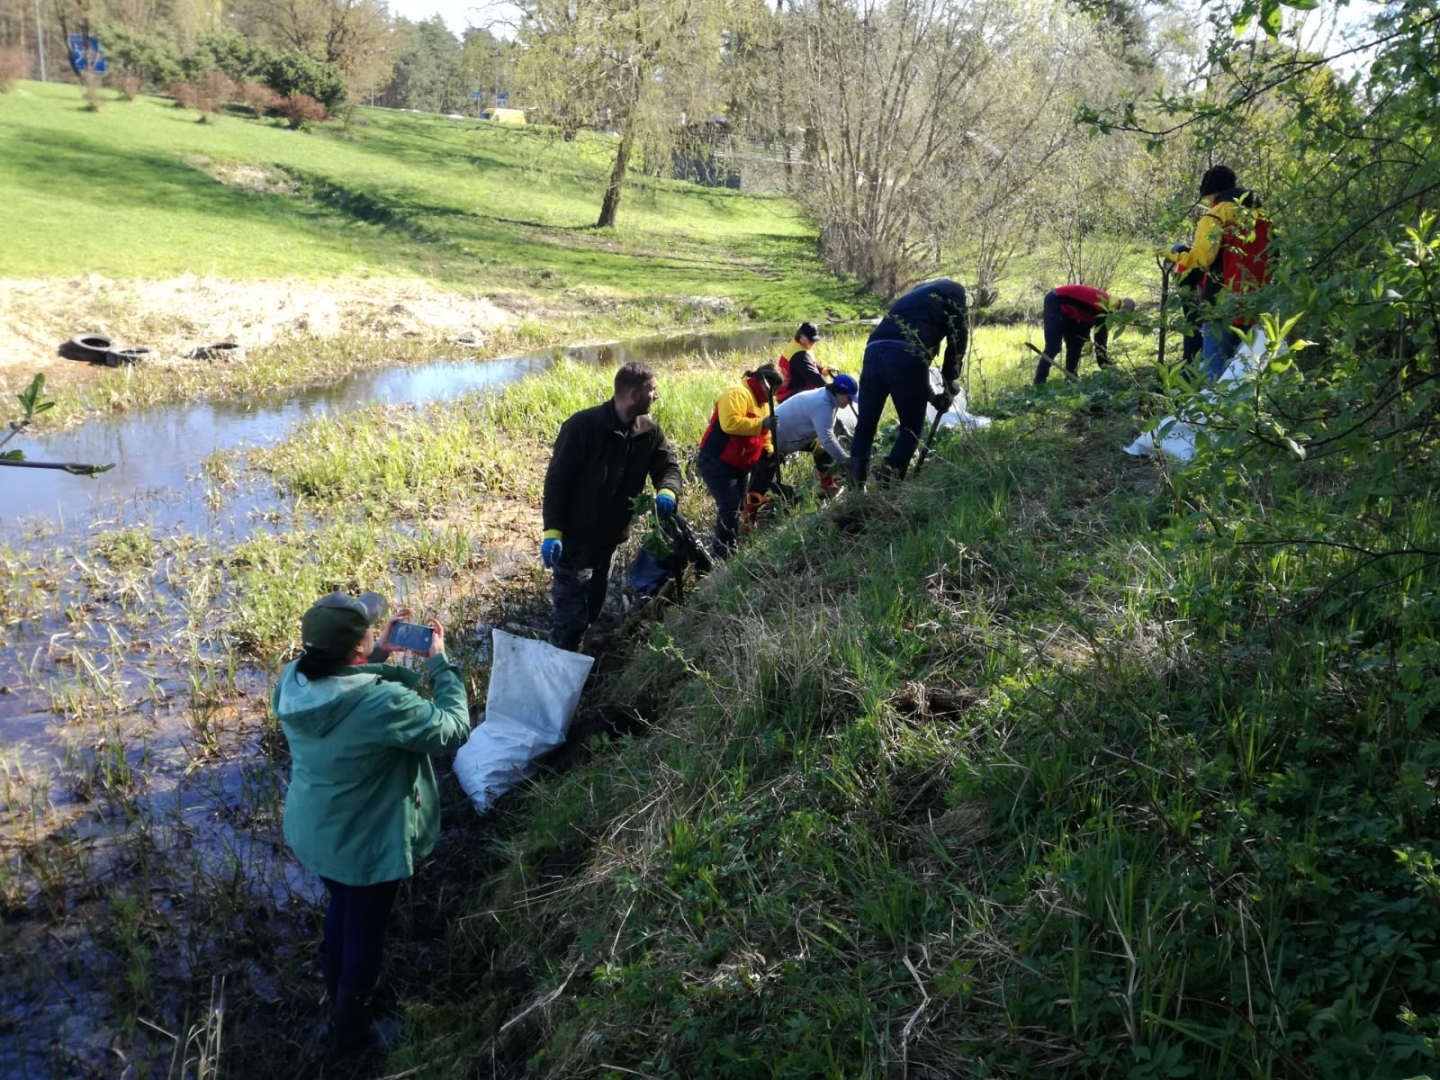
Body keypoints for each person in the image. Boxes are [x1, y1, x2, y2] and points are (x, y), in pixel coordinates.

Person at [273, 591, 470, 1058]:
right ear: (355, 648)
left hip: (316, 832)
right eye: (369, 631)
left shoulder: (294, 680)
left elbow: (341, 687)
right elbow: (452, 728)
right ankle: (348, 1036)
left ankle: (333, 985)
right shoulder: (383, 704)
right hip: (363, 845)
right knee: (365, 935)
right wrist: (440, 665)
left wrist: (375, 654)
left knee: (341, 907)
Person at [541, 362, 682, 651]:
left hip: (611, 541)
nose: (656, 396)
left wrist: (667, 490)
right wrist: (552, 530)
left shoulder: (649, 431)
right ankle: (558, 676)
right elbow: (557, 482)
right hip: (575, 542)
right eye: (652, 390)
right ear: (632, 394)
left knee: (593, 607)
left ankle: (580, 659)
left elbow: (667, 466)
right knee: (569, 619)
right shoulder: (582, 427)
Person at [849, 278, 968, 487]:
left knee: (865, 427)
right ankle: (888, 483)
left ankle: (855, 488)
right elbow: (957, 342)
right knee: (911, 428)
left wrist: (932, 396)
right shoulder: (955, 295)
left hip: (874, 351)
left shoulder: (910, 299)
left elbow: (914, 373)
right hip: (907, 355)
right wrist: (949, 384)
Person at [1162, 164, 1270, 380]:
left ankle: (1211, 410)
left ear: (1211, 192)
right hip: (1255, 300)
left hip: (1220, 300)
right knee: (1245, 367)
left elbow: (1202, 258)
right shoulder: (1263, 216)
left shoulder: (1216, 216)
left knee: (1214, 365)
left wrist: (1173, 256)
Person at [697, 364, 781, 557]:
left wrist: (769, 451)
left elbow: (766, 435)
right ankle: (722, 553)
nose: (775, 395)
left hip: (739, 464)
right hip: (716, 461)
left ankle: (731, 544)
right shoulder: (737, 394)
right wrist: (761, 424)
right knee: (730, 505)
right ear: (764, 382)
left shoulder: (764, 403)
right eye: (774, 390)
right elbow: (730, 423)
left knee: (738, 505)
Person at [749, 374, 858, 500]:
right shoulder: (821, 404)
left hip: (797, 435)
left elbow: (826, 437)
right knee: (762, 478)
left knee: (822, 450)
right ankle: (747, 512)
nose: (850, 402)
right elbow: (827, 438)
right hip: (771, 439)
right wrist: (845, 461)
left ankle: (828, 487)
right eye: (849, 398)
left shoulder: (829, 398)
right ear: (839, 392)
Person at [1031, 285, 1135, 384]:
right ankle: (1039, 383)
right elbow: (1100, 345)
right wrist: (1111, 370)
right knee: (1053, 346)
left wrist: (1086, 340)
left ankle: (1070, 379)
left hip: (1073, 311)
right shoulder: (1105, 309)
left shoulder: (1107, 306)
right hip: (1056, 300)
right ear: (1120, 311)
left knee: (1076, 343)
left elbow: (1085, 325)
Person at [775, 322, 825, 403]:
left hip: (796, 390)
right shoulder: (799, 355)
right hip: (789, 395)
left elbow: (811, 364)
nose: (813, 343)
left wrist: (822, 369)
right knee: (822, 400)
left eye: (814, 340)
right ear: (801, 336)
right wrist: (832, 390)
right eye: (811, 340)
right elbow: (814, 377)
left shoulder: (799, 344)